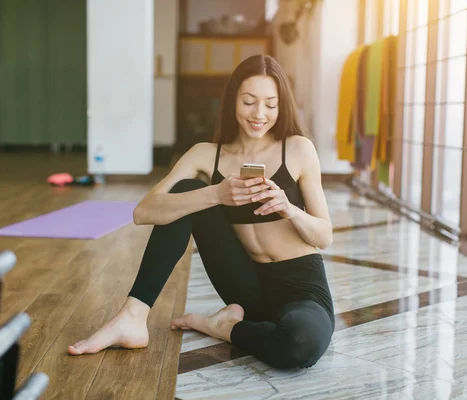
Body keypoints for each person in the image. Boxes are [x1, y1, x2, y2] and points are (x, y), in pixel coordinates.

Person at [68, 54, 335, 370]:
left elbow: (324, 236)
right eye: (249, 101)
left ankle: (225, 327)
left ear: (281, 106)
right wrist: (215, 193)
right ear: (233, 100)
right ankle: (132, 317)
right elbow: (144, 212)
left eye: (270, 104)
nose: (259, 114)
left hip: (301, 288)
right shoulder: (205, 155)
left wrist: (289, 209)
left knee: (299, 345)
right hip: (244, 287)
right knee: (184, 196)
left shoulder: (298, 149)